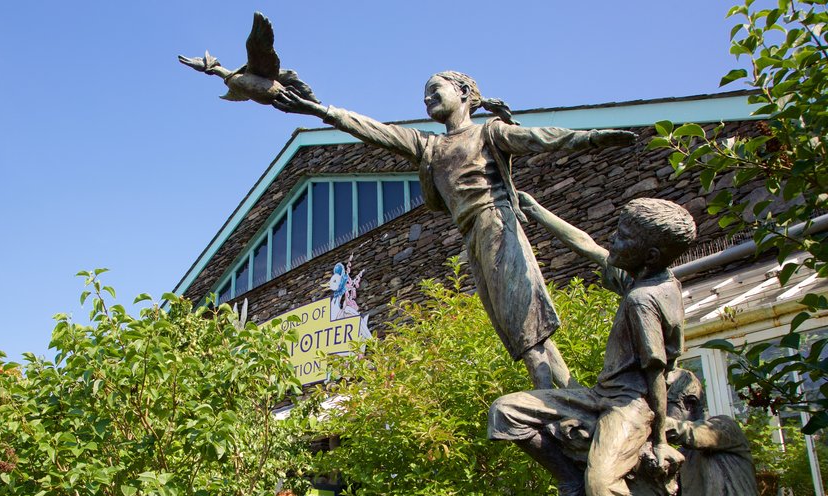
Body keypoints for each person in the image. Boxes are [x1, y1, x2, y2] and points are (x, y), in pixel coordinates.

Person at [272, 73, 636, 390]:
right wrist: (321, 111)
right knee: (510, 320)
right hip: (472, 234)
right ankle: (566, 387)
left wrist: (591, 138)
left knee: (520, 310)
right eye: (424, 94)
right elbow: (374, 131)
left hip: (495, 221)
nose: (427, 98)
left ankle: (548, 390)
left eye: (435, 89)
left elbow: (541, 137)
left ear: (463, 92)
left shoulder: (487, 134)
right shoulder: (429, 147)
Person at [489, 193, 697, 496]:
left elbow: (657, 373)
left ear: (649, 254)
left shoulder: (644, 300)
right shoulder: (644, 276)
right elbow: (588, 245)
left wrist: (661, 438)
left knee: (602, 488)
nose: (613, 243)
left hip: (631, 405)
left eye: (622, 239)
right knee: (506, 411)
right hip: (599, 396)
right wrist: (535, 211)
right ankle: (570, 485)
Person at [665, 370, 759, 496]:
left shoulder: (724, 427)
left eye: (665, 406)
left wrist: (643, 421)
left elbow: (689, 432)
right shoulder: (681, 457)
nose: (661, 413)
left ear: (689, 404)